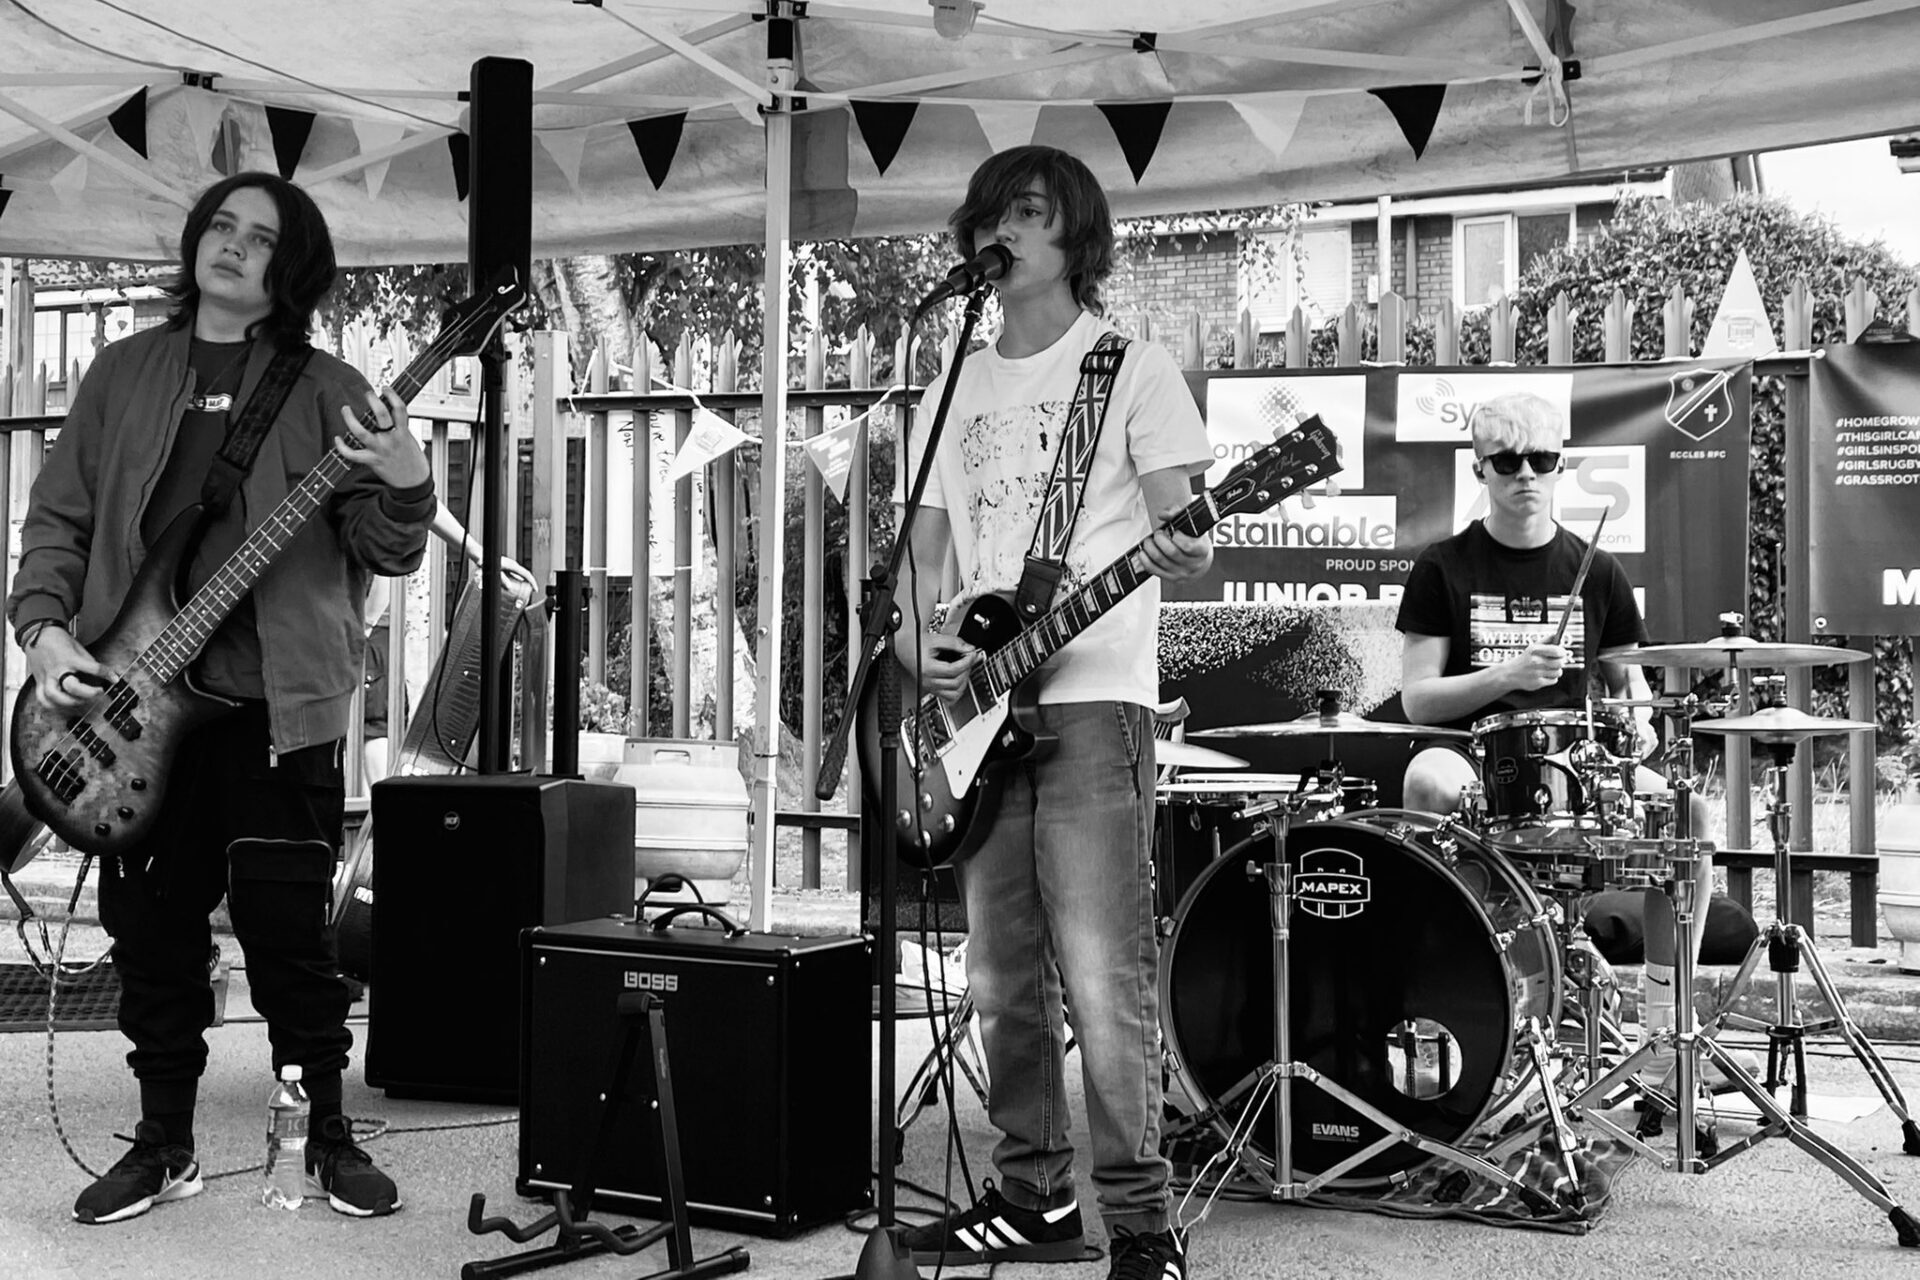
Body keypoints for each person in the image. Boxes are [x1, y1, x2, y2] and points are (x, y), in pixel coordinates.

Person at [8, 172, 434, 1223]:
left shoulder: (329, 388)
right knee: (149, 930)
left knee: (287, 926)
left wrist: (408, 475)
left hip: (278, 705)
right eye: (223, 227)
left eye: (261, 238)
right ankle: (164, 1141)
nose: (233, 246)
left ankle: (326, 1130)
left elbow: (385, 547)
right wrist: (43, 627)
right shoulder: (122, 371)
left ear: (292, 271)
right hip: (133, 699)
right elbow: (56, 519)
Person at [891, 145, 1214, 1280]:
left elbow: (1191, 529)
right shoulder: (951, 384)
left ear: (1078, 237)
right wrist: (914, 644)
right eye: (991, 213)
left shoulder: (1128, 368)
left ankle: (1139, 1221)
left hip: (1091, 707)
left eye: (1028, 212)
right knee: (998, 976)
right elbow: (920, 559)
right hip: (973, 717)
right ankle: (1031, 1197)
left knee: (1102, 973)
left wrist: (1183, 538)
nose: (1003, 230)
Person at [1393, 391, 1732, 1092]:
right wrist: (1506, 674)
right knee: (1426, 780)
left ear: (1559, 467)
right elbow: (1418, 697)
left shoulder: (1598, 570)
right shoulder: (1442, 567)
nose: (1525, 475)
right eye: (1508, 461)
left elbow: (1628, 690)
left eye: (1541, 460)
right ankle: (1447, 1003)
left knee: (1690, 814)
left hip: (1579, 760)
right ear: (1480, 470)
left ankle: (1667, 1033)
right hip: (1477, 756)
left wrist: (1634, 723)